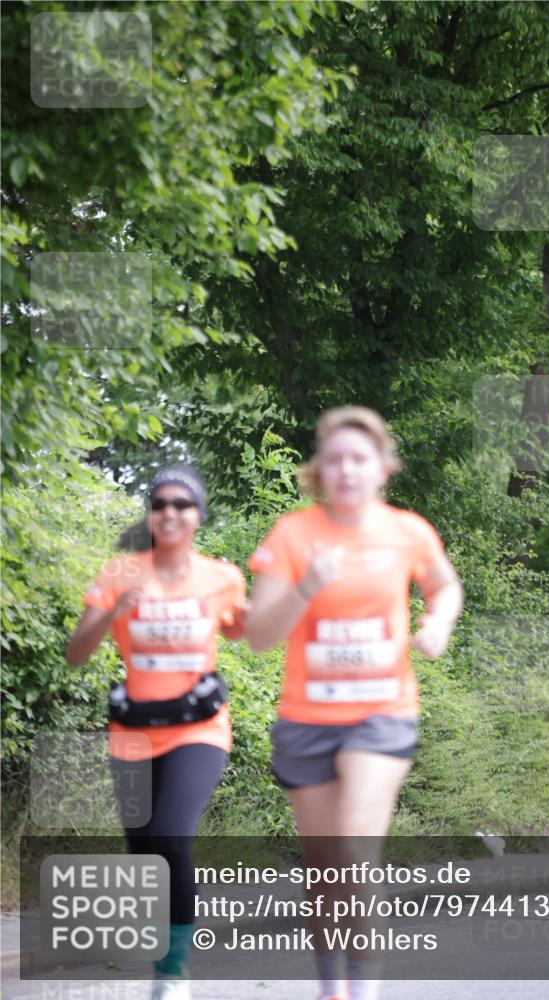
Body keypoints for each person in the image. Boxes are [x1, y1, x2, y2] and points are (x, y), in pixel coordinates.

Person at [245, 407, 464, 1000]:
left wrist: (438, 622)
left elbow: (444, 585)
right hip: (306, 722)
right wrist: (306, 587)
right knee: (325, 871)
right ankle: (331, 986)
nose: (346, 470)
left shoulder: (407, 531)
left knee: (354, 849)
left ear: (383, 467)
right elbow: (260, 635)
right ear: (320, 468)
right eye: (335, 459)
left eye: (358, 459)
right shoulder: (293, 535)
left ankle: (363, 991)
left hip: (382, 715)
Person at [66, 464, 246, 1000]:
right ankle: (163, 954)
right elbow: (77, 654)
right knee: (145, 852)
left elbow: (247, 630)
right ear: (150, 514)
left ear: (197, 515)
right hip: (134, 731)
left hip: (200, 728)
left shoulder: (221, 577)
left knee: (170, 833)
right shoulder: (120, 571)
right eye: (160, 503)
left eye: (182, 504)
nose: (170, 512)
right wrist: (112, 612)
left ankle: (171, 973)